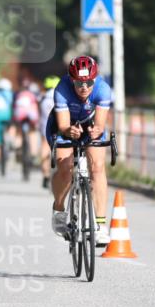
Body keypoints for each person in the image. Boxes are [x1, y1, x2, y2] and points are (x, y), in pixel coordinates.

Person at [47, 56, 111, 247]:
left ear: (95, 80)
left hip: (90, 126)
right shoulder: (62, 89)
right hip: (65, 127)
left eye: (89, 82)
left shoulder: (103, 89)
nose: (84, 87)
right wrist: (68, 131)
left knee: (97, 167)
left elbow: (100, 124)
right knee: (65, 168)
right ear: (71, 80)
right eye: (79, 83)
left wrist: (96, 131)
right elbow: (63, 125)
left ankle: (100, 225)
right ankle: (59, 209)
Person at [38, 75, 61, 189]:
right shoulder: (60, 95)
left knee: (44, 147)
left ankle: (46, 175)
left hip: (45, 125)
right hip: (60, 125)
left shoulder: (43, 97)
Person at [11, 80, 41, 164]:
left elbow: (14, 107)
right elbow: (36, 107)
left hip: (19, 115)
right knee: (32, 132)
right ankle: (33, 154)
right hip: (30, 116)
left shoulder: (18, 94)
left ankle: (17, 146)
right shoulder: (32, 95)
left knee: (19, 132)